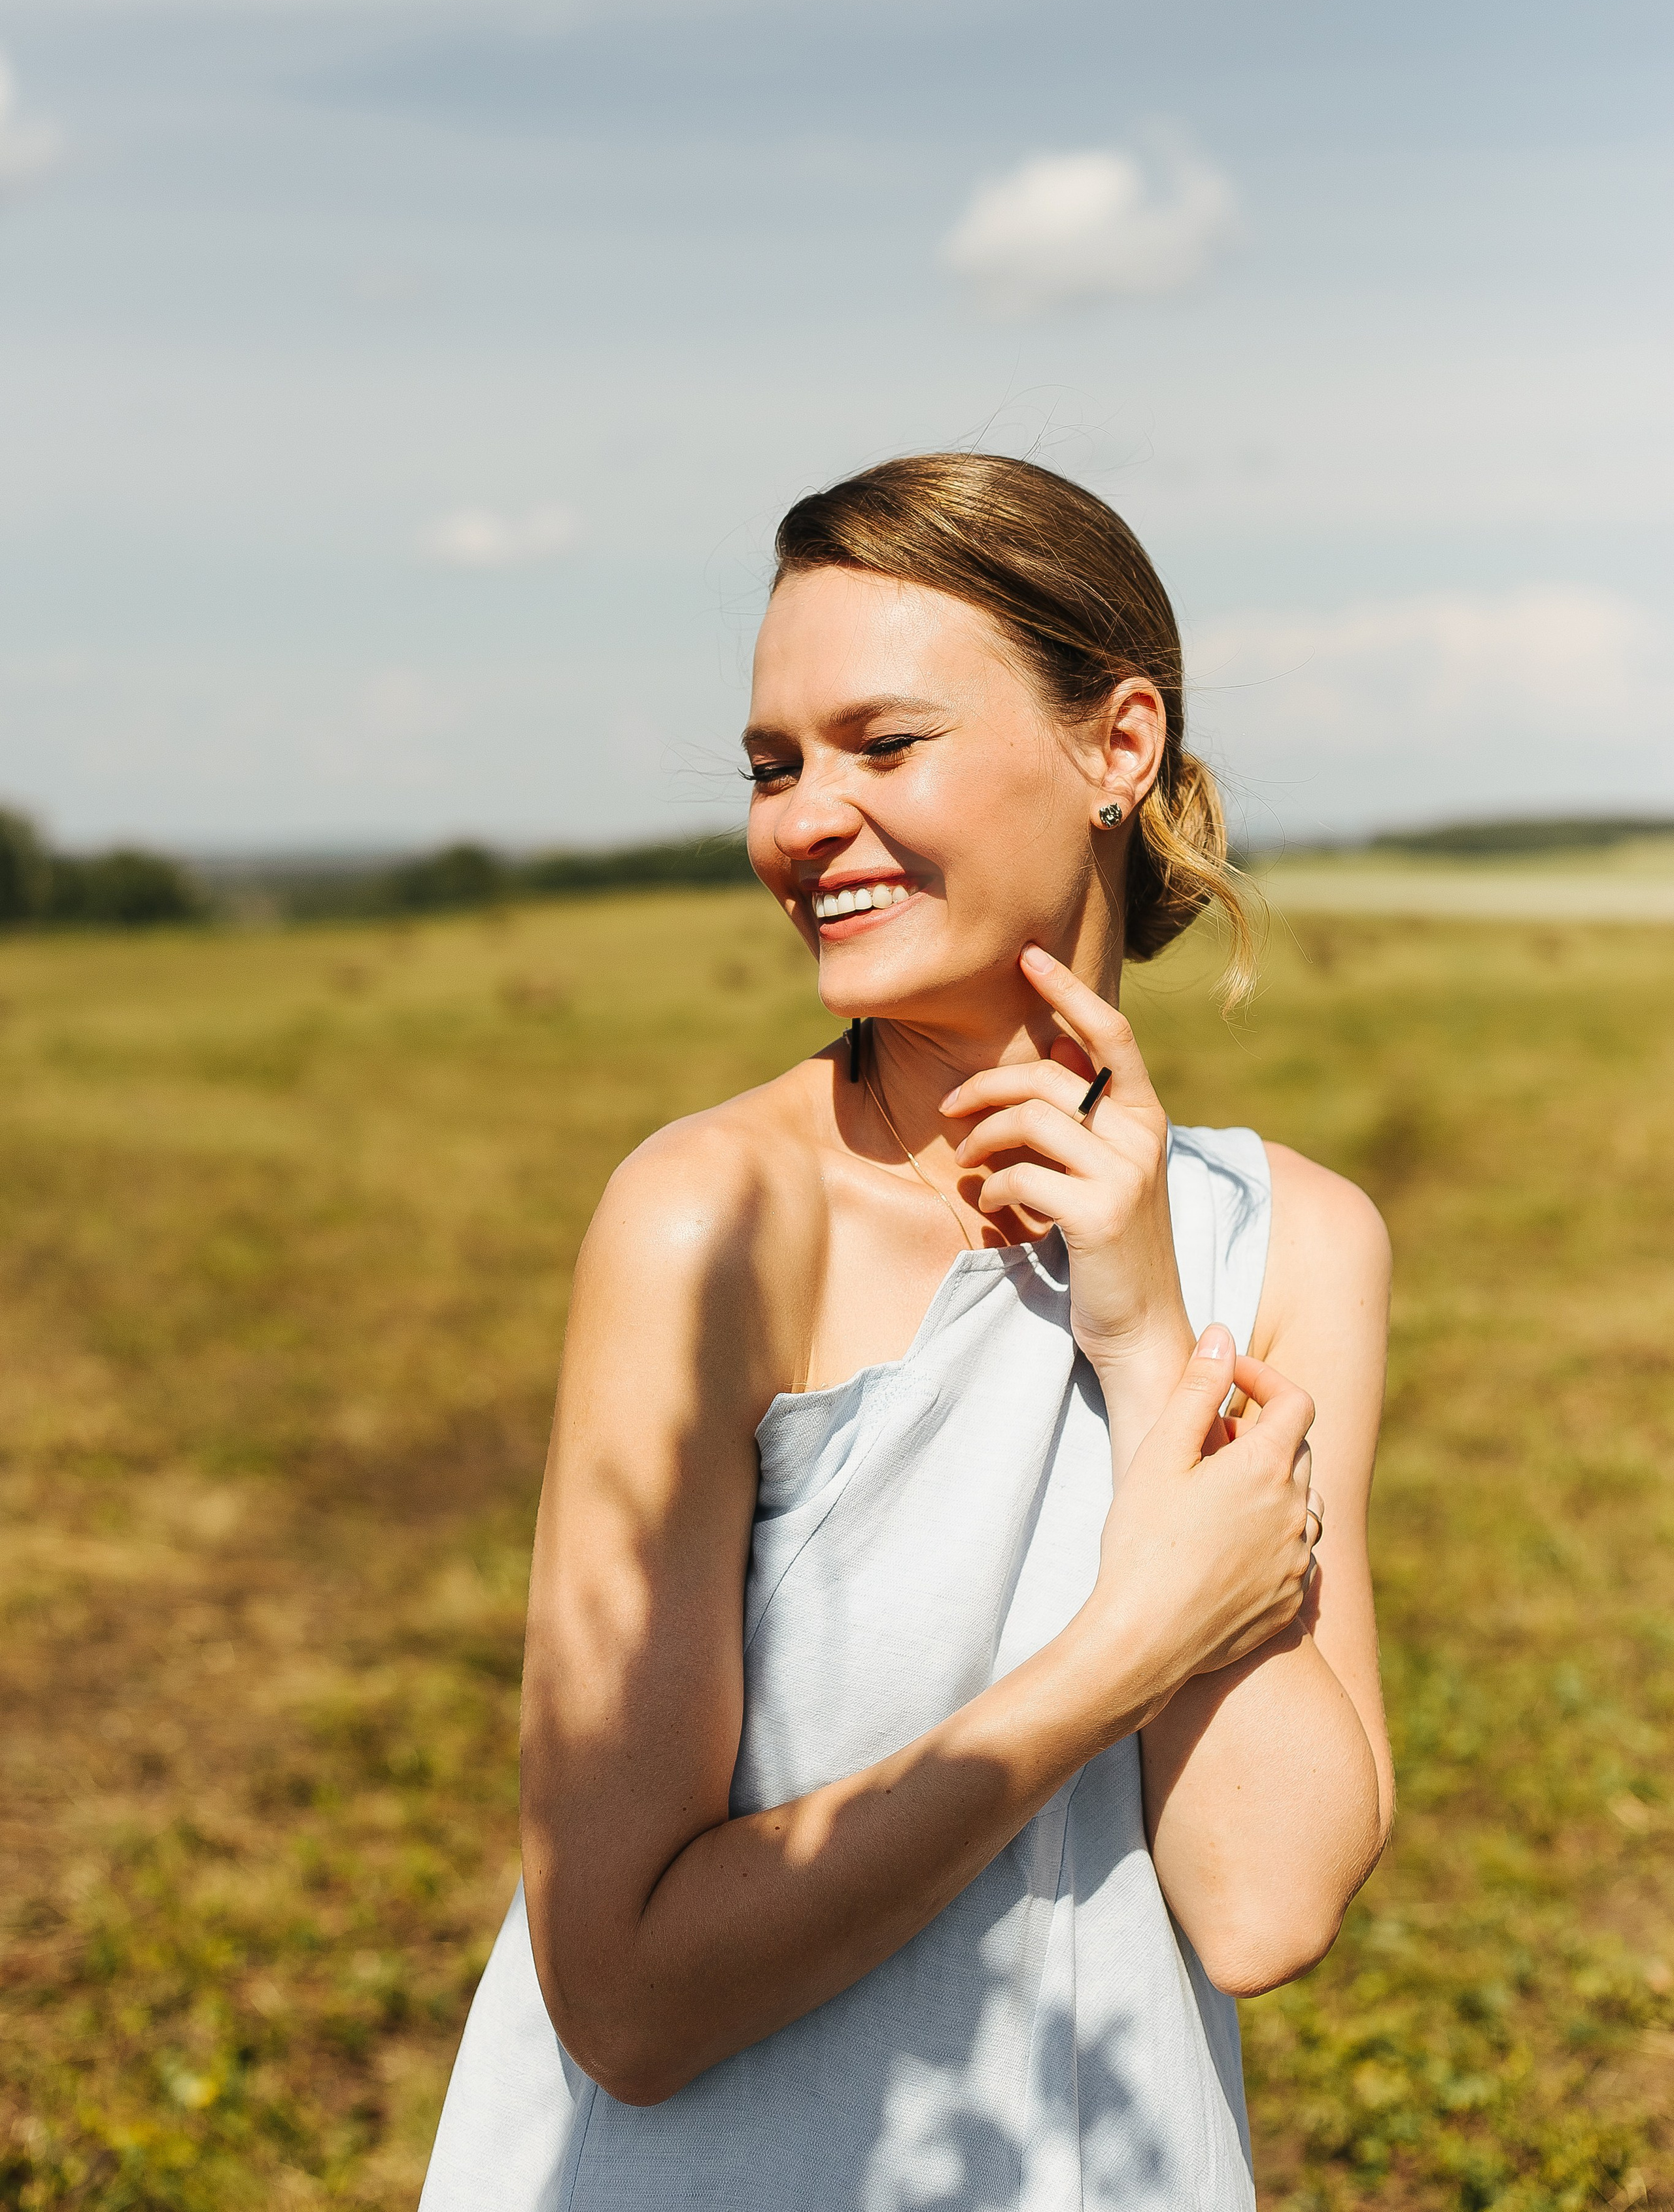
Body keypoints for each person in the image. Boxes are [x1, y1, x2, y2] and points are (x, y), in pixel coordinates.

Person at [420, 452, 1393, 2211]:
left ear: (1118, 747)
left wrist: (1147, 1336)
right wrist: (1130, 1649)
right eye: (774, 765)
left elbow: (1265, 1906)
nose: (804, 821)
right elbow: (625, 1999)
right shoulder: (710, 1223)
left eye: (884, 744)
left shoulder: (1297, 1241)